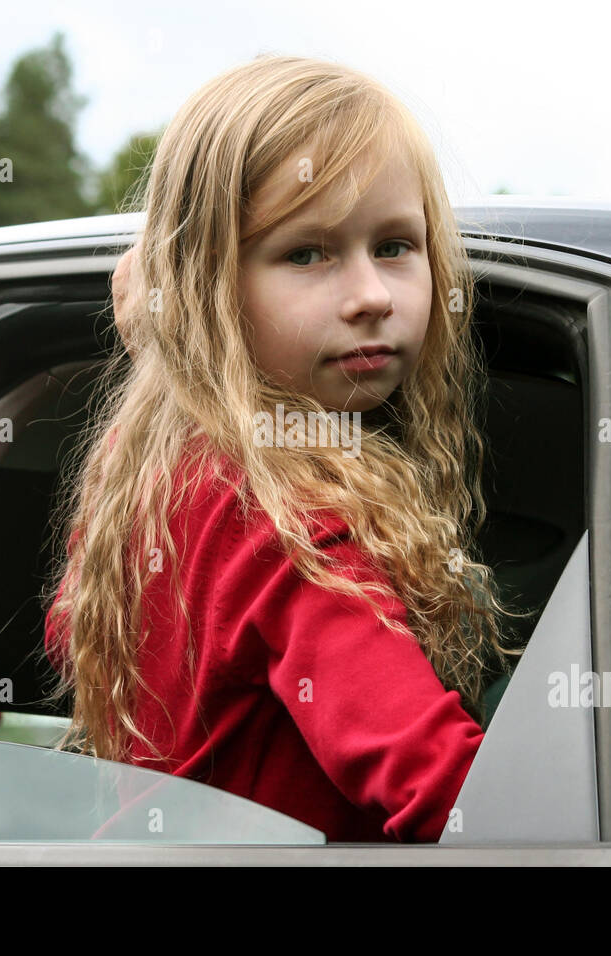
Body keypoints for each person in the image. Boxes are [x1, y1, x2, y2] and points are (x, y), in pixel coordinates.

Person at [43, 54, 526, 843]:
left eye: (397, 245)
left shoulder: (162, 470)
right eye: (308, 253)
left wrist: (165, 334)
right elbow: (447, 793)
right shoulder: (277, 517)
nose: (371, 295)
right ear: (213, 291)